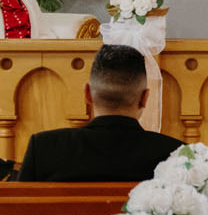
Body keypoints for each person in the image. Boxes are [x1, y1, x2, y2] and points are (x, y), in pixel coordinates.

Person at [16, 43, 184, 181]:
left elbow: (18, 214)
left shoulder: (45, 148)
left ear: (88, 94)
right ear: (144, 98)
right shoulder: (174, 153)